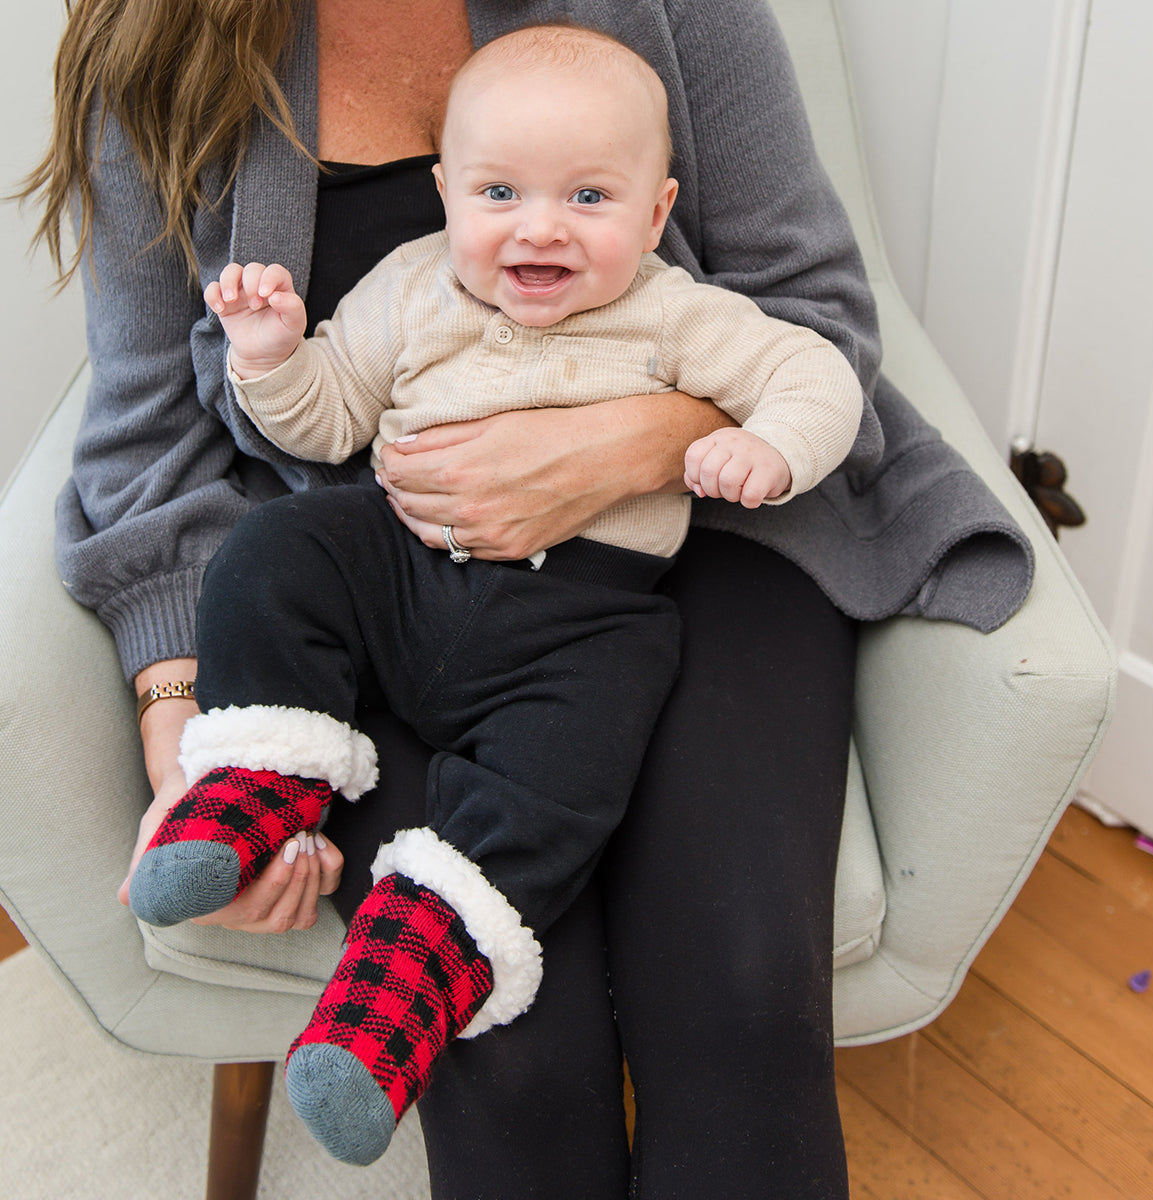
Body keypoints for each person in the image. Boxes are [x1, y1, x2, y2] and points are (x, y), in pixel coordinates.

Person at [23, 0, 1031, 1195]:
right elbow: (154, 424)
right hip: (379, 570)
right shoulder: (163, 41)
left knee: (738, 998)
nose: (535, 230)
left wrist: (623, 448)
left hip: (687, 542)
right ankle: (267, 792)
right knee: (505, 1053)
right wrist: (182, 714)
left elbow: (814, 323)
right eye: (496, 194)